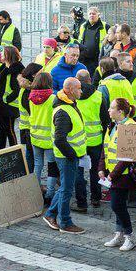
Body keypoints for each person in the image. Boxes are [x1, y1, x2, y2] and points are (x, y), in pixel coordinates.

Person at [43, 77, 87, 234]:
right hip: (67, 157)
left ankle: (50, 214)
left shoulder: (69, 103)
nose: (81, 91)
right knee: (67, 189)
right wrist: (72, 155)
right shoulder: (63, 111)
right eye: (79, 88)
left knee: (64, 187)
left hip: (69, 156)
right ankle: (65, 222)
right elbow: (60, 140)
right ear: (70, 90)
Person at [100, 98, 136, 250]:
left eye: (111, 108)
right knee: (118, 205)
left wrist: (112, 175)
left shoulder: (130, 127)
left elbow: (127, 157)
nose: (109, 110)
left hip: (123, 175)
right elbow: (105, 148)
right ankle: (119, 234)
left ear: (120, 111)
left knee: (117, 205)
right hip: (112, 173)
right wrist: (101, 168)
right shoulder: (112, 126)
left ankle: (129, 236)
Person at [74, 65, 109, 212]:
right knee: (95, 170)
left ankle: (81, 202)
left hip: (79, 140)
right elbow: (105, 119)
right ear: (90, 79)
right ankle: (95, 198)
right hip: (95, 140)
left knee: (79, 171)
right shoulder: (98, 95)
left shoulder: (73, 96)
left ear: (77, 81)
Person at [29, 72, 59, 205]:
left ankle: (35, 192)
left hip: (35, 136)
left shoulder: (31, 97)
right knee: (52, 166)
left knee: (38, 165)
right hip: (49, 139)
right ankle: (50, 194)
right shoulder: (53, 99)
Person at [0, 46, 23, 148]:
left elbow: (17, 89)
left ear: (8, 55)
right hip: (1, 105)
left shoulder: (17, 69)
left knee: (9, 130)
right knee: (2, 130)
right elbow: (0, 83)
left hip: (10, 105)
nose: (1, 53)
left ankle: (14, 152)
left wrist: (7, 99)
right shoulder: (4, 67)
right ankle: (1, 152)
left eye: (3, 52)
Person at [17, 63, 43, 173]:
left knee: (30, 155)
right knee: (31, 157)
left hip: (26, 127)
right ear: (33, 75)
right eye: (40, 73)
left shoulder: (26, 88)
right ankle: (31, 181)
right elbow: (32, 111)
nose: (42, 75)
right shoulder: (28, 92)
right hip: (29, 129)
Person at [78, 7, 110, 74]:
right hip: (85, 59)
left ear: (98, 15)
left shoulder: (105, 26)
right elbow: (80, 40)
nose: (91, 15)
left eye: (94, 14)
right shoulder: (83, 26)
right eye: (90, 14)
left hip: (98, 59)